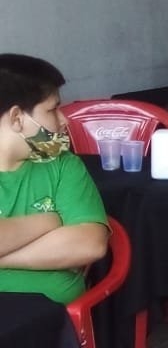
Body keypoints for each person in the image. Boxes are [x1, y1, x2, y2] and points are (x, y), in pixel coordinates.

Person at [0, 54, 109, 304]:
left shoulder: (63, 165)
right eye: (52, 109)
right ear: (17, 118)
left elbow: (89, 245)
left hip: (53, 317)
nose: (64, 120)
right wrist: (50, 221)